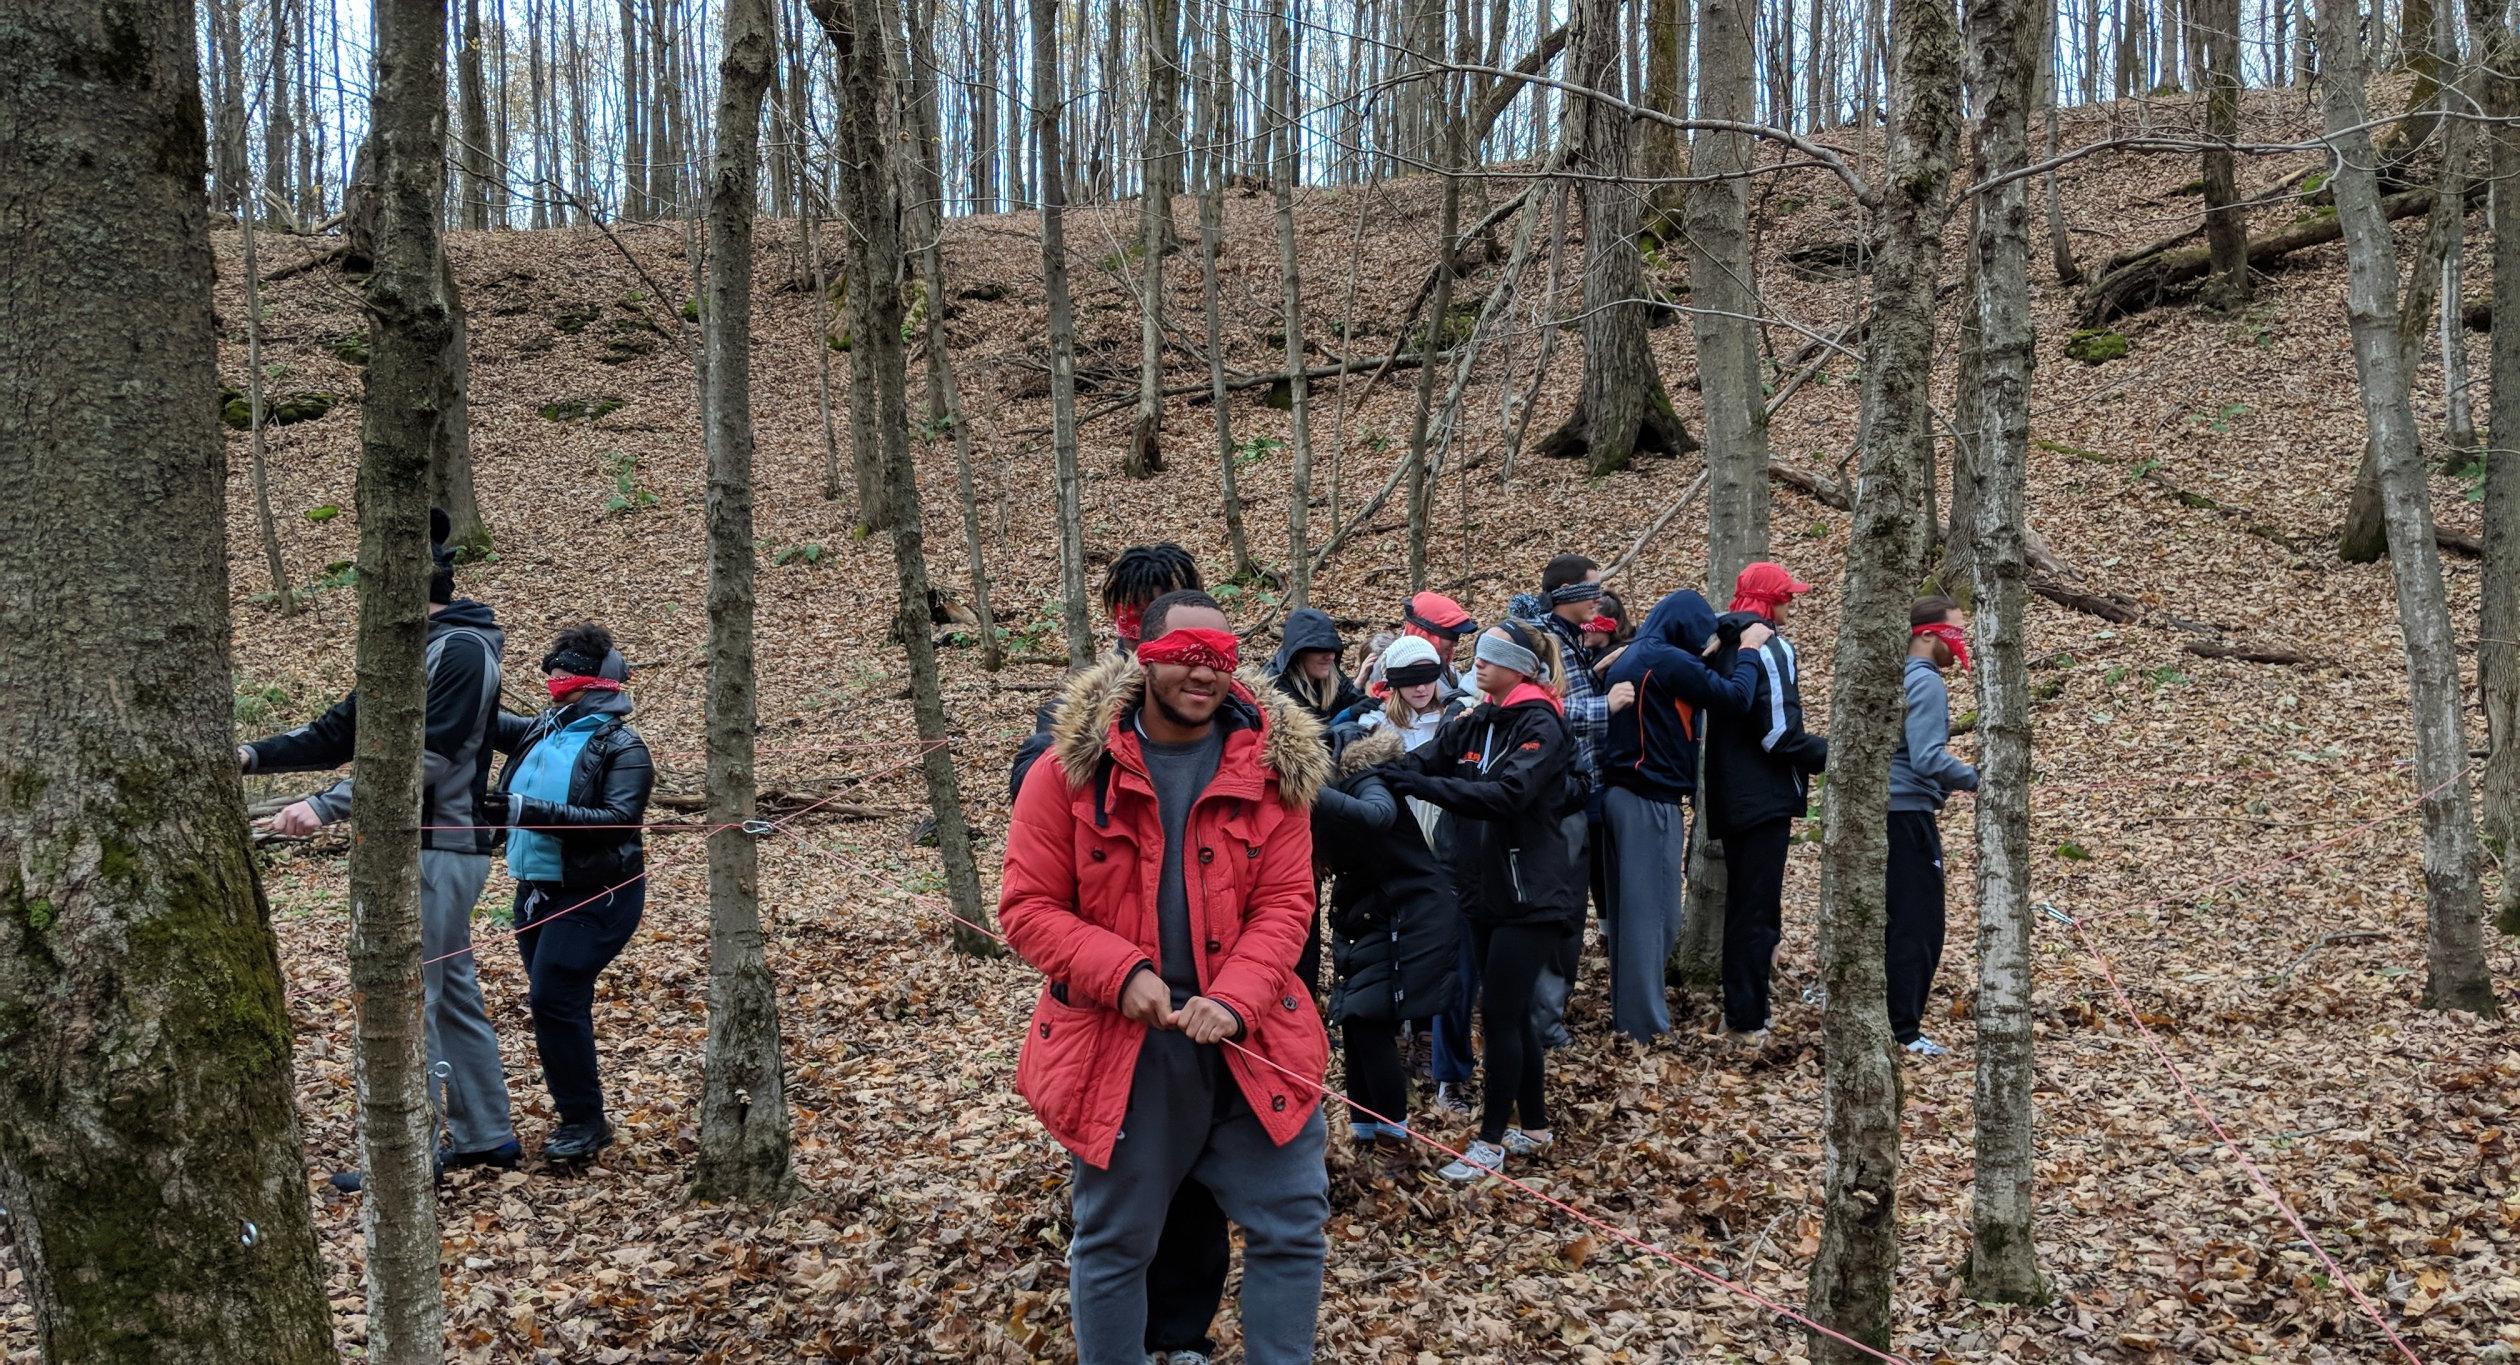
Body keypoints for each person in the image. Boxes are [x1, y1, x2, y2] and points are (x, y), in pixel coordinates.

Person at [1000, 591, 1333, 1365]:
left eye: (1220, 658)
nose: (1203, 671)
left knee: (1292, 1222)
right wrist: (1122, 973)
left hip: (1252, 1039)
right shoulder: (1066, 775)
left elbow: (1288, 901)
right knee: (1116, 1239)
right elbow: (1026, 907)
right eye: (1185, 652)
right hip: (1124, 1046)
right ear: (1144, 658)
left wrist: (1235, 997)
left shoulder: (1276, 773)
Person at [1004, 545, 1232, 1365]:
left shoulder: (1240, 706)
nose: (1167, 646)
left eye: (1172, 611)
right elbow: (1035, 815)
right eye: (1138, 618)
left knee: (1209, 1184)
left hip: (1228, 990)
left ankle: (1181, 1332)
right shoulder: (1078, 718)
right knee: (1122, 1174)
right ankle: (1123, 1335)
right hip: (1112, 1002)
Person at [240, 510, 518, 1174]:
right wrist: (250, 754)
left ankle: (403, 1157)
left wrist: (326, 805)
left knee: (406, 991)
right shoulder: (403, 647)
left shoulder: (460, 650)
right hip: (414, 847)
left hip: (440, 847)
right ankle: (486, 1134)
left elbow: (432, 758)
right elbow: (337, 732)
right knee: (448, 988)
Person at [1383, 619, 1585, 1181]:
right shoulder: (1475, 719)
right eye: (1479, 656)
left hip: (1532, 895)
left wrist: (1418, 787)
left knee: (1498, 1014)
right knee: (1512, 1014)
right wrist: (1376, 771)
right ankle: (1536, 1126)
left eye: (1492, 658)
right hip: (1482, 890)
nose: (1479, 664)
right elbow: (1426, 760)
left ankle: (1490, 1141)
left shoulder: (1541, 723)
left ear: (1519, 669)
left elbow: (1508, 794)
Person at [487, 623, 655, 1161]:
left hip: (598, 896)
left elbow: (617, 820)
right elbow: (480, 722)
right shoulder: (541, 728)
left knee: (552, 999)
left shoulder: (624, 746)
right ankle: (579, 1115)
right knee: (554, 1004)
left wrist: (523, 811)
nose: (554, 675)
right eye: (552, 667)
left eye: (567, 668)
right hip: (535, 892)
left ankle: (583, 1121)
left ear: (597, 679)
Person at [1598, 590, 1767, 1043]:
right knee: (1654, 920)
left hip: (1624, 796)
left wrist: (1731, 630)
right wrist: (1748, 650)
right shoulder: (1668, 660)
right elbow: (1735, 698)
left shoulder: (1639, 652)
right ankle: (1644, 1027)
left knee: (1633, 917)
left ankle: (1634, 1019)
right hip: (1648, 800)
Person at [1336, 635, 1479, 1112]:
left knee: (1449, 962)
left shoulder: (1461, 720)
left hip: (1451, 850)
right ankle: (1401, 1040)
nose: (1421, 689)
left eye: (1428, 677)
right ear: (1392, 685)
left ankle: (1442, 1062)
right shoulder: (1374, 727)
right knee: (1398, 953)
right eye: (1409, 681)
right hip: (1397, 853)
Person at [1315, 725, 1459, 1159]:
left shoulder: (1365, 778)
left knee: (1370, 1018)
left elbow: (1378, 816)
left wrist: (1308, 791)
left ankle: (1394, 1142)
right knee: (1357, 1021)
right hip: (1369, 911)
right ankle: (1365, 1134)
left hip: (1409, 912)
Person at [1510, 555, 1636, 1048]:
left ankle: (1546, 1017)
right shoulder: (1545, 644)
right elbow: (1544, 712)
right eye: (1590, 590)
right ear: (1564, 595)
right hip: (1557, 803)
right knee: (1558, 913)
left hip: (1583, 793)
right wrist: (1606, 705)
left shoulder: (1574, 642)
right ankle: (1541, 1023)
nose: (1599, 598)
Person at [1704, 564, 1829, 1045]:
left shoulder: (1720, 641)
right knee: (1753, 910)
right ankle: (1745, 1019)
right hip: (1760, 794)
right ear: (1769, 602)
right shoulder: (1770, 646)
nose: (1790, 606)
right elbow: (1778, 733)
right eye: (1786, 598)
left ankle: (1746, 1009)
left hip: (1733, 791)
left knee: (1750, 906)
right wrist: (1829, 755)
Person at [1888, 597, 1980, 1058]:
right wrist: (1978, 778)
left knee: (1893, 919)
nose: (1960, 643)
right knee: (1919, 924)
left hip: (1886, 812)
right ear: (1926, 634)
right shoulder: (1924, 682)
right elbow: (1926, 757)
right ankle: (1903, 1030)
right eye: (1955, 633)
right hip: (1906, 818)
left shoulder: (1892, 676)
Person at [1270, 607, 1366, 725]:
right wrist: (1345, 716)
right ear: (1298, 653)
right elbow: (1301, 739)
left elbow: (1354, 699)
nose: (1330, 657)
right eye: (1321, 650)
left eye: (1332, 649)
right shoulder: (1275, 689)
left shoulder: (1331, 673)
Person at [1396, 590, 1479, 700]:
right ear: (1424, 634)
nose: (1455, 643)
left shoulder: (1448, 672)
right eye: (1450, 635)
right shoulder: (1392, 674)